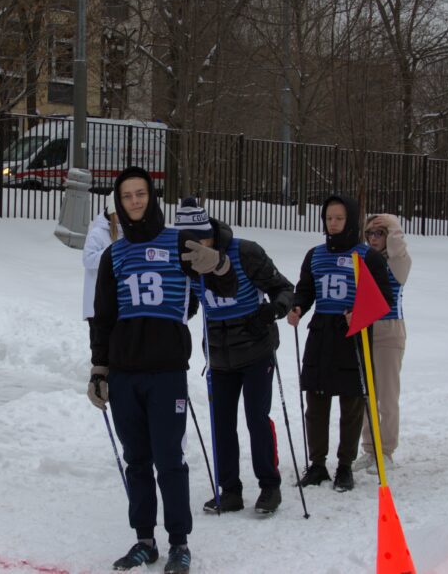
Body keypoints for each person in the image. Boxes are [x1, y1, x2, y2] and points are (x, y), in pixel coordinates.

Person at [87, 167, 236, 574]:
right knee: (136, 458)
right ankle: (144, 541)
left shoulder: (178, 241)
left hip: (167, 371)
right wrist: (99, 369)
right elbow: (102, 318)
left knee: (169, 459)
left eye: (141, 194)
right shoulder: (113, 254)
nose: (135, 201)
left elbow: (227, 287)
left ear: (152, 197)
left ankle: (179, 543)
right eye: (127, 196)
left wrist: (217, 263)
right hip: (124, 373)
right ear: (119, 204)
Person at [173, 198, 294, 515]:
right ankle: (230, 491)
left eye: (203, 237)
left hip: (256, 350)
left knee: (256, 419)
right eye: (191, 239)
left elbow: (284, 288)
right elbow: (187, 306)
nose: (200, 245)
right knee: (222, 424)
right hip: (218, 356)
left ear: (212, 230)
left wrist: (272, 311)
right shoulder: (185, 261)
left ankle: (270, 486)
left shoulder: (244, 252)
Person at [287, 194, 392, 493]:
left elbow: (384, 298)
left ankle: (344, 466)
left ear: (351, 221)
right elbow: (305, 289)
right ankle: (317, 464)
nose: (332, 224)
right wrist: (297, 307)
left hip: (352, 335)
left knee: (351, 403)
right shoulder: (315, 255)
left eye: (339, 218)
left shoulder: (366, 256)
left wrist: (358, 313)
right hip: (321, 332)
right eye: (329, 218)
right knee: (316, 403)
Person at [355, 213, 411, 474]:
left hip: (389, 330)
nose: (374, 238)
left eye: (380, 233)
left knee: (387, 396)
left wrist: (389, 223)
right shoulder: (364, 259)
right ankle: (369, 448)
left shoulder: (399, 261)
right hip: (365, 328)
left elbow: (398, 247)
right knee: (367, 393)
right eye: (370, 234)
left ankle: (385, 451)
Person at [82, 191, 120, 329]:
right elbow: (87, 259)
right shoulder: (98, 232)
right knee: (101, 348)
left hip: (117, 306)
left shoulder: (127, 233)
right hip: (97, 306)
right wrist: (112, 253)